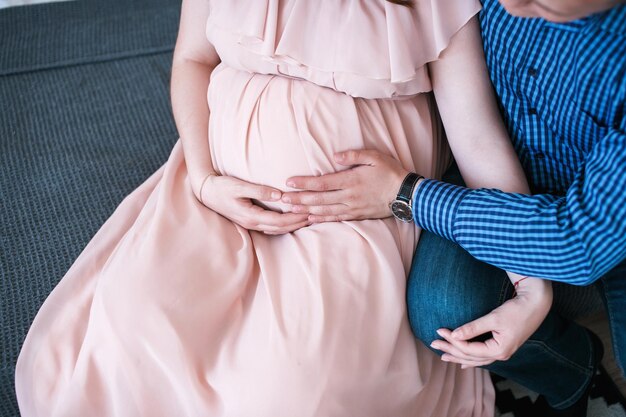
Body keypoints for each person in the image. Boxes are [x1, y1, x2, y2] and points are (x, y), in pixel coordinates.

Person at [15, 0, 556, 416]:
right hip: (220, 190)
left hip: (351, 215)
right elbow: (192, 58)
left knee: (296, 388)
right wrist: (204, 180)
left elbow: (478, 143)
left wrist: (532, 282)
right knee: (133, 331)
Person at [281, 0, 626, 415]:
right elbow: (472, 119)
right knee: (445, 313)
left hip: (600, 226)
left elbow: (579, 242)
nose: (509, 5)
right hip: (494, 162)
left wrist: (407, 195)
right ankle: (573, 367)